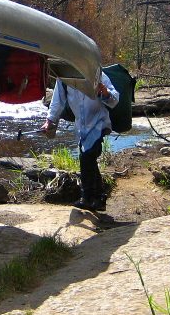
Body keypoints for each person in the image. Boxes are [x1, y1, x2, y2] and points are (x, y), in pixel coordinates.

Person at [39, 70, 120, 211]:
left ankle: (87, 197)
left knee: (87, 157)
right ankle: (100, 198)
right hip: (81, 127)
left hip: (99, 123)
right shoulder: (63, 78)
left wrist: (105, 92)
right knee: (88, 159)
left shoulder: (97, 74)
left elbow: (115, 99)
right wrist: (49, 121)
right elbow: (57, 102)